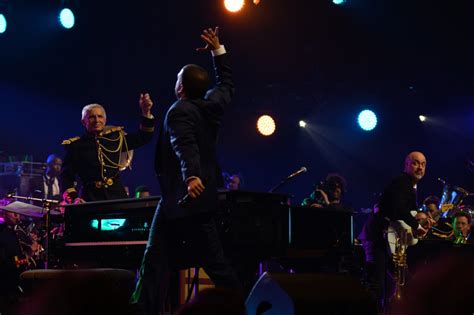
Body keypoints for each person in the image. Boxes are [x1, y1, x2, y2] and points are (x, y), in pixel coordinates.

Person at [131, 27, 241, 314]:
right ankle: (142, 308)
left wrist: (191, 175)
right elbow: (227, 85)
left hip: (186, 197)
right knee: (156, 258)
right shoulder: (211, 106)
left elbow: (184, 144)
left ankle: (243, 306)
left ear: (180, 88)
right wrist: (218, 52)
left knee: (212, 265)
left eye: (178, 79)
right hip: (185, 201)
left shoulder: (179, 110)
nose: (176, 83)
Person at [359, 151, 428, 311]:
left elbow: (403, 211)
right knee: (378, 284)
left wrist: (421, 220)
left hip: (388, 239)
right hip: (377, 237)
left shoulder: (409, 185)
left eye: (423, 164)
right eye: (416, 163)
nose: (420, 167)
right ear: (406, 165)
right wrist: (417, 227)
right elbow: (399, 210)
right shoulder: (402, 182)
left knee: (404, 281)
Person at [60, 95, 155, 203]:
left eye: (100, 116)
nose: (97, 120)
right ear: (83, 121)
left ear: (105, 120)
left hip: (117, 197)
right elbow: (66, 177)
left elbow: (143, 137)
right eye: (91, 117)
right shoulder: (75, 146)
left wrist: (146, 111)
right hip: (89, 199)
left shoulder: (116, 138)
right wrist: (74, 198)